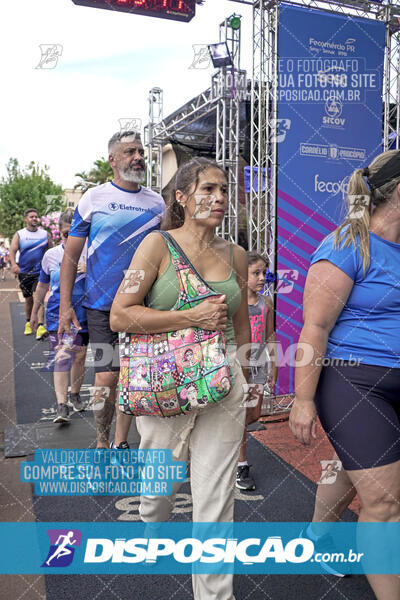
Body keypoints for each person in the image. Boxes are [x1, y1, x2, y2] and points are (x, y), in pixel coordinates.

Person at [110, 157, 251, 600]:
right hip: (165, 381)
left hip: (223, 380)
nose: (219, 198)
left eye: (224, 190)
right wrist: (188, 315)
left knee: (215, 498)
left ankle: (215, 595)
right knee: (160, 491)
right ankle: (153, 520)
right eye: (208, 189)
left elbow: (243, 325)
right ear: (182, 198)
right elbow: (120, 315)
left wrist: (250, 381)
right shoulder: (156, 246)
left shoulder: (236, 254)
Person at [289, 149, 400, 599]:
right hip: (355, 382)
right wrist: (302, 400)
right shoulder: (346, 244)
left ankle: (317, 536)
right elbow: (314, 327)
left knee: (361, 472)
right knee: (386, 501)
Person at [59, 130, 165, 448]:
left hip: (143, 306)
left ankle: (121, 441)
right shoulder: (94, 198)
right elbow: (70, 257)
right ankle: (102, 441)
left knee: (134, 377)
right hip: (102, 306)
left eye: (141, 152)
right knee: (107, 376)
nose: (138, 157)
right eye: (131, 151)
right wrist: (65, 306)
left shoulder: (156, 202)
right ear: (113, 160)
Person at [31, 209, 88, 423]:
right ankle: (62, 405)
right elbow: (42, 285)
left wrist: (89, 267)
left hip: (85, 311)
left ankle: (75, 393)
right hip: (57, 312)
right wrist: (35, 312)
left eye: (76, 233)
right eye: (66, 234)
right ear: (60, 234)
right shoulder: (50, 255)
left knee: (80, 357)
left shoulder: (91, 253)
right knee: (62, 356)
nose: (71, 238)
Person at [236, 251, 278, 491]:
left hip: (260, 366)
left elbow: (270, 334)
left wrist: (275, 363)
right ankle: (241, 464)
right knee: (240, 417)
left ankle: (229, 449)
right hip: (240, 366)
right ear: (243, 276)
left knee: (254, 415)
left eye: (264, 273)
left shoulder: (267, 303)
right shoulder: (236, 303)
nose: (262, 278)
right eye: (256, 273)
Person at [9, 208, 52, 338]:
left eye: (36, 217)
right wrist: (14, 265)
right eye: (31, 217)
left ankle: (40, 326)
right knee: (28, 300)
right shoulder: (20, 234)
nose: (34, 219)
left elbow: (51, 250)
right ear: (26, 219)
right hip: (24, 272)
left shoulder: (45, 234)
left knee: (38, 298)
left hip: (40, 272)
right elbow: (12, 251)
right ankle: (28, 322)